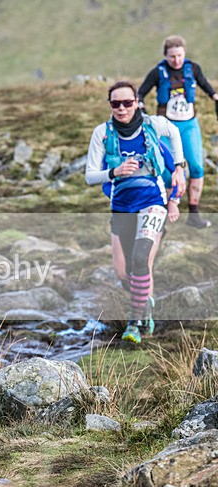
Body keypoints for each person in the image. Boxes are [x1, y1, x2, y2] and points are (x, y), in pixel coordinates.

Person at [86, 81, 186, 344]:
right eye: (115, 104)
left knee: (142, 258)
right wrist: (114, 172)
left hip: (153, 201)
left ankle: (135, 322)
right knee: (123, 271)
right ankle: (146, 304)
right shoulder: (103, 133)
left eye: (127, 103)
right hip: (121, 206)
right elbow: (89, 176)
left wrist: (178, 168)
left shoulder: (152, 126)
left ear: (137, 102)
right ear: (110, 105)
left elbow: (175, 134)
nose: (122, 108)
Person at [138, 35, 216, 229]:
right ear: (165, 55)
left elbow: (206, 86)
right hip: (165, 126)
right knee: (165, 172)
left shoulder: (193, 69)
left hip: (189, 125)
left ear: (184, 53)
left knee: (197, 167)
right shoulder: (158, 72)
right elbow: (141, 92)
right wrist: (140, 107)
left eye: (179, 55)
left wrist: (215, 95)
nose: (176, 60)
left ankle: (194, 214)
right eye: (172, 56)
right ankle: (162, 215)